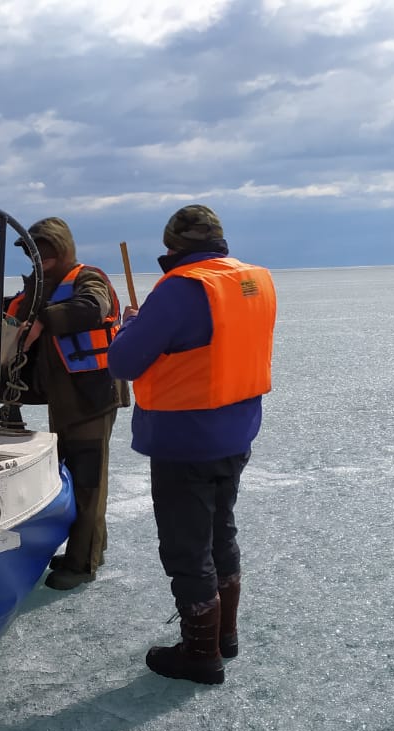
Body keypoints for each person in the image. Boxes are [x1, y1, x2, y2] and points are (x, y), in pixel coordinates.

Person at [107, 205, 276, 684]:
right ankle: (225, 636)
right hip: (237, 430)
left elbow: (123, 362)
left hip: (185, 439)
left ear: (172, 249)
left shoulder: (181, 288)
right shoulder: (253, 282)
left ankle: (200, 655)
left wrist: (131, 327)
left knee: (187, 549)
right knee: (221, 533)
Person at [3, 218, 121, 590]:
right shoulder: (43, 286)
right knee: (70, 478)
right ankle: (88, 549)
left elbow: (91, 308)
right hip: (65, 399)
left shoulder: (90, 280)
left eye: (45, 250)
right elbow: (14, 313)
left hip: (92, 398)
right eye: (34, 252)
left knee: (88, 483)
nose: (40, 258)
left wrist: (42, 321)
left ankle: (83, 563)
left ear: (62, 249)